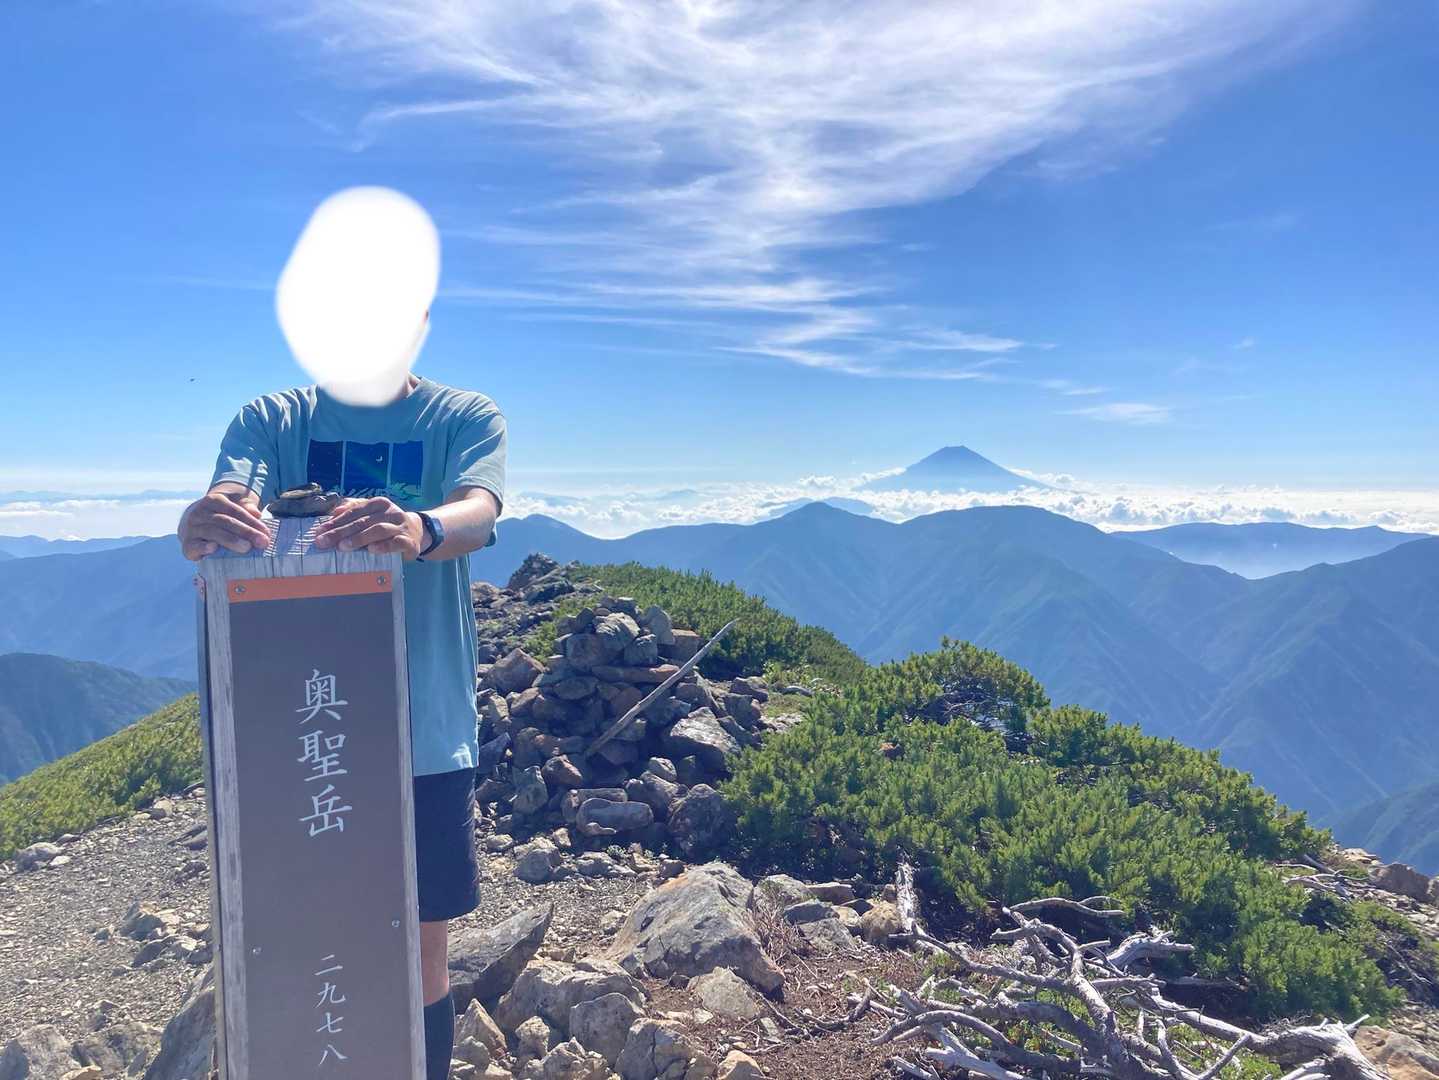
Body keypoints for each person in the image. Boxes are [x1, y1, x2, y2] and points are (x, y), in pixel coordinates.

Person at [178, 339, 505, 1080]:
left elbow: (478, 512)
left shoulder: (460, 415)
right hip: (294, 728)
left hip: (421, 730)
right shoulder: (274, 419)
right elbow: (236, 493)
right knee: (293, 935)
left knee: (420, 948)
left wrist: (420, 528)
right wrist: (210, 521)